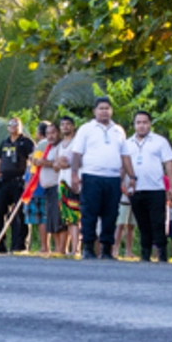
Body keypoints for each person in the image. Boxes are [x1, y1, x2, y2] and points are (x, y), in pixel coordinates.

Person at [69, 97, 132, 260]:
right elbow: (77, 153)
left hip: (112, 177)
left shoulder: (118, 130)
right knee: (90, 213)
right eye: (101, 108)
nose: (104, 111)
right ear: (94, 111)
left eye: (107, 108)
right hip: (91, 176)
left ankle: (106, 249)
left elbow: (125, 155)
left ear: (111, 110)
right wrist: (74, 174)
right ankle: (88, 248)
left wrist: (129, 176)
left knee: (111, 214)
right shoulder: (86, 129)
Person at [127, 110, 172, 262]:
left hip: (156, 189)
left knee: (158, 223)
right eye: (138, 122)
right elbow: (123, 165)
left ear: (150, 124)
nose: (142, 126)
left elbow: (168, 163)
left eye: (145, 122)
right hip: (136, 190)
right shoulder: (127, 143)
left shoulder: (160, 141)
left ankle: (162, 255)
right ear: (134, 125)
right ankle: (145, 255)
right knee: (142, 224)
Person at [0, 118, 35, 254]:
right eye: (10, 124)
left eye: (16, 124)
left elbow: (32, 160)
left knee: (20, 214)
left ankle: (20, 245)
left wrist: (29, 179)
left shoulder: (26, 142)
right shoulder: (4, 142)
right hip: (4, 181)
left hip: (19, 181)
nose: (13, 127)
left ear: (20, 127)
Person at [34, 121, 69, 255]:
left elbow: (58, 164)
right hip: (48, 187)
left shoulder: (61, 146)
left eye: (53, 133)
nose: (50, 136)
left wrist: (44, 163)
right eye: (48, 133)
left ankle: (62, 248)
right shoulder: (48, 147)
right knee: (52, 220)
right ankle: (57, 248)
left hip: (58, 185)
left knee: (59, 219)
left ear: (59, 132)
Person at [57, 116, 80, 255]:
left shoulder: (77, 142)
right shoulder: (60, 145)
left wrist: (64, 163)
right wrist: (60, 163)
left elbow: (76, 160)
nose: (65, 127)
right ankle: (72, 248)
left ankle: (76, 248)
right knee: (68, 219)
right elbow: (56, 164)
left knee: (76, 218)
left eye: (68, 124)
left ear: (73, 126)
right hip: (63, 183)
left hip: (75, 183)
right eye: (63, 125)